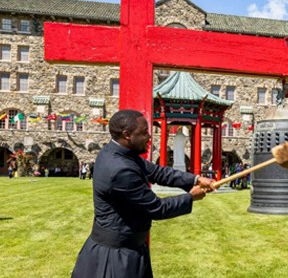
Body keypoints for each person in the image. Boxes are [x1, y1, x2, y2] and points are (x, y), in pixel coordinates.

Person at [71, 109, 215, 278]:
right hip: (115, 258)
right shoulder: (120, 170)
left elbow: (157, 172)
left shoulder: (121, 153)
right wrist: (191, 197)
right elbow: (157, 208)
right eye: (144, 133)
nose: (149, 137)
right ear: (127, 135)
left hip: (127, 249)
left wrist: (195, 179)